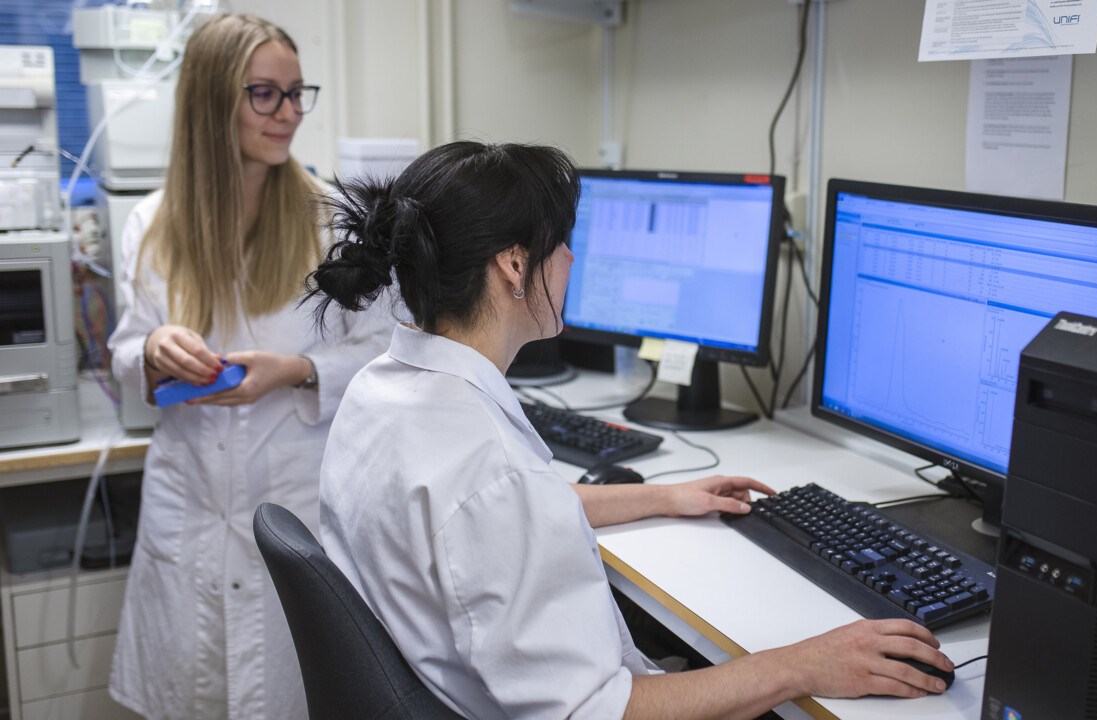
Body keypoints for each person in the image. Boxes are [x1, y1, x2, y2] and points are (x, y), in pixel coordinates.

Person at [310, 141, 954, 720]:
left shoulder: (383, 389)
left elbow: (481, 523)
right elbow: (603, 712)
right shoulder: (492, 470)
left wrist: (661, 496)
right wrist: (804, 664)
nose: (569, 258)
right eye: (561, 241)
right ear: (512, 265)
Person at [106, 14, 392, 719]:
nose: (290, 113)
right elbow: (123, 353)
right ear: (212, 99)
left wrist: (295, 368)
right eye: (266, 94)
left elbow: (389, 359)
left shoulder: (332, 221)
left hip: (295, 506)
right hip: (190, 508)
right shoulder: (150, 225)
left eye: (298, 93)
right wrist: (150, 351)